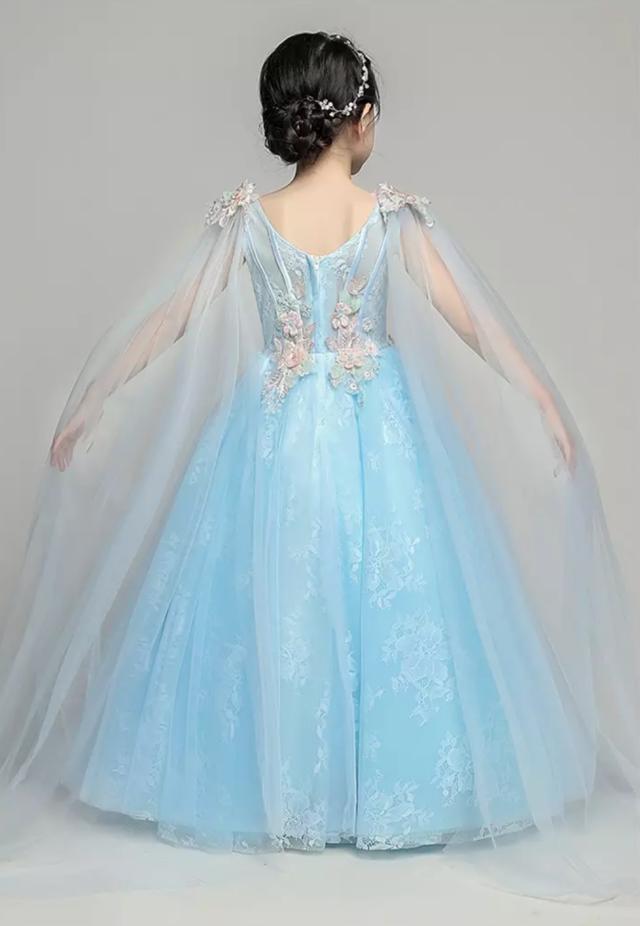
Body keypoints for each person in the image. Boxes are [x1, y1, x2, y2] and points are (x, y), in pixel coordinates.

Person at [1, 30, 638, 903]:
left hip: (269, 429)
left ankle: (284, 787)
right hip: (381, 429)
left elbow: (171, 317)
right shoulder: (391, 218)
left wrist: (93, 399)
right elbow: (471, 318)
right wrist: (540, 398)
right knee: (386, 597)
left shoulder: (247, 218)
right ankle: (374, 791)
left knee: (279, 597)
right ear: (361, 118)